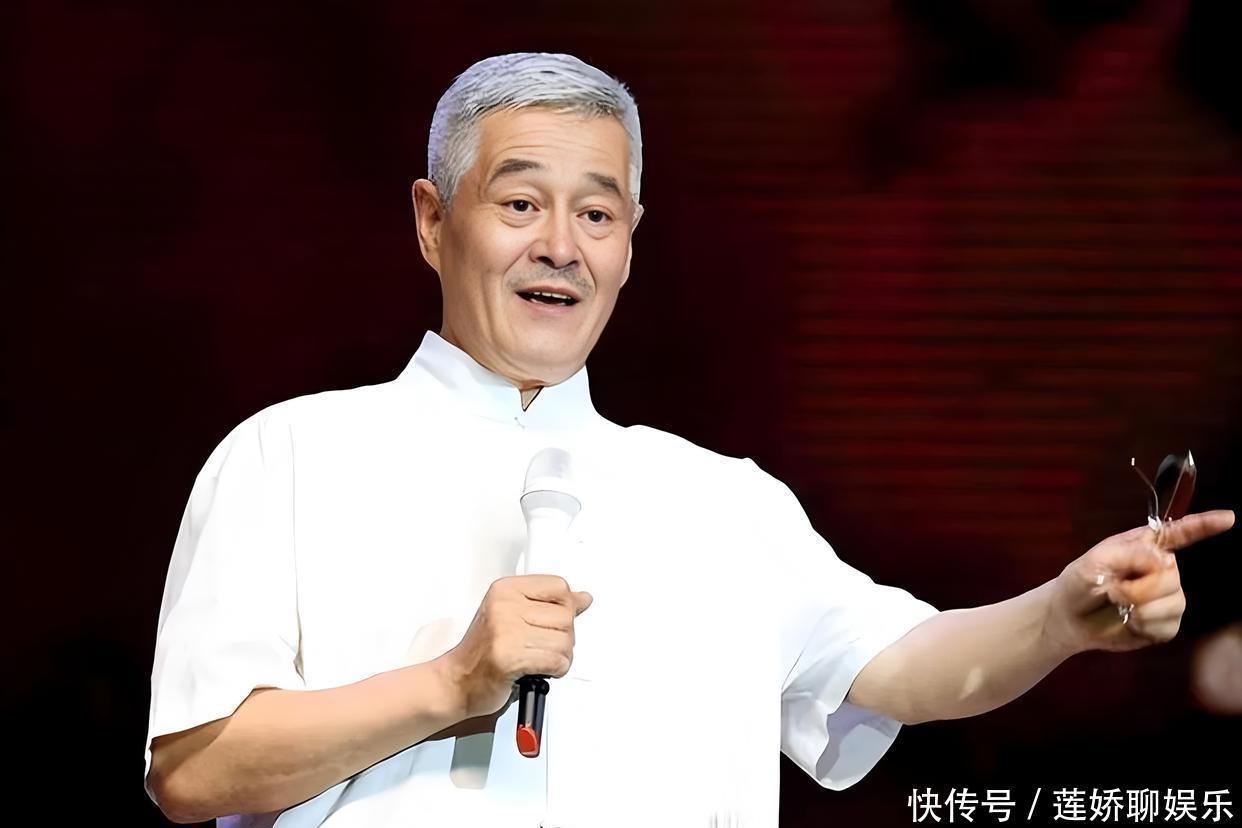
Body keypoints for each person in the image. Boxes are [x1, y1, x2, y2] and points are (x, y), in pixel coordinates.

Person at [143, 52, 1235, 828]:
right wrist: (449, 684)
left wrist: (1060, 615)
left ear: (630, 242)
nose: (561, 246)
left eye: (597, 214)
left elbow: (903, 667)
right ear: (433, 221)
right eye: (519, 205)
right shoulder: (289, 456)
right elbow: (193, 771)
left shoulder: (723, 500)